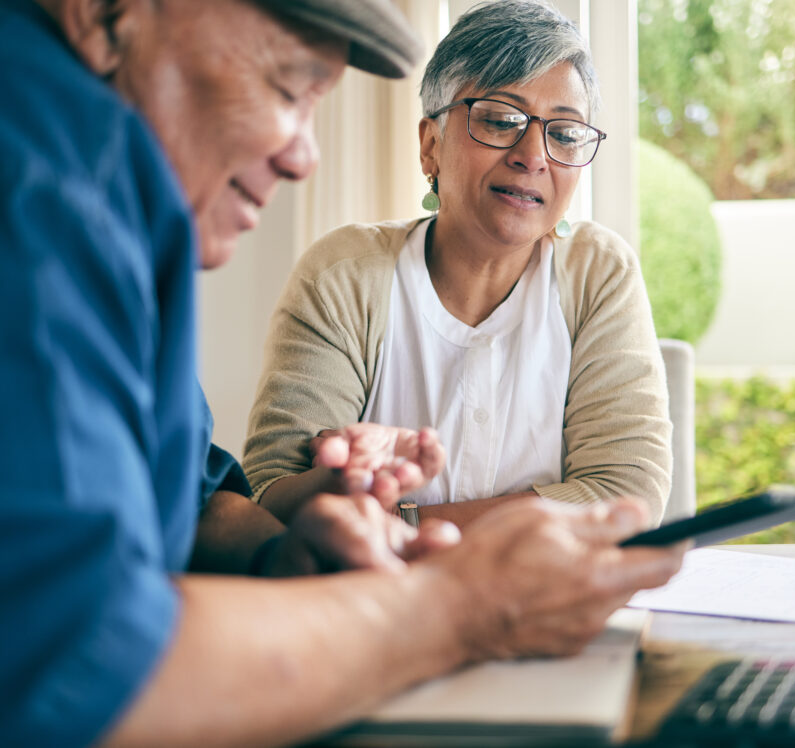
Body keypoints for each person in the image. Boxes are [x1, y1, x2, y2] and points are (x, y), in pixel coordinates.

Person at [0, 0, 687, 746]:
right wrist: (454, 607)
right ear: (104, 14)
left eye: (563, 133)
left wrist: (281, 553)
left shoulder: (126, 232)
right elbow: (76, 666)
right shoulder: (38, 185)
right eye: (289, 89)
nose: (305, 158)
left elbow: (195, 496)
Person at [243, 0, 672, 530]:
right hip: (378, 607)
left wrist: (404, 520)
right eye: (500, 120)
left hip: (544, 606)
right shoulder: (344, 275)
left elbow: (627, 496)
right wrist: (342, 480)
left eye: (564, 133)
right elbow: (269, 493)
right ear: (431, 147)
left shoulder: (598, 273)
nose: (533, 155)